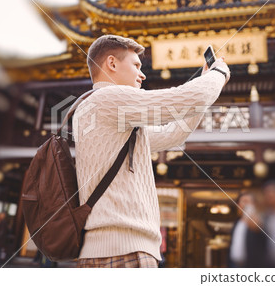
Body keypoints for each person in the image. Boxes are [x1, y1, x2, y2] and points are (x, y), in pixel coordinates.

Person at [73, 35, 230, 268]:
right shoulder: (107, 98)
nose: (143, 74)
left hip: (111, 250)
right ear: (112, 64)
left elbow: (172, 134)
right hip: (123, 252)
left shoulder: (103, 109)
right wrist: (218, 74)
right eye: (136, 65)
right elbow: (183, 99)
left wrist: (203, 90)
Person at [227, 191, 265, 268]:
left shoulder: (260, 222)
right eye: (243, 201)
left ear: (254, 204)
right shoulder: (236, 223)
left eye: (248, 202)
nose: (245, 205)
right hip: (234, 265)